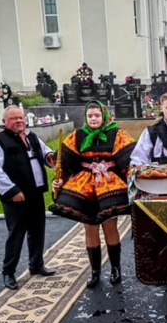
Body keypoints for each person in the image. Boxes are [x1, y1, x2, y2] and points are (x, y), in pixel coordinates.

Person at [49, 101, 135, 287]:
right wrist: (61, 179)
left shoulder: (116, 133)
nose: (94, 119)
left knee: (110, 227)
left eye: (97, 115)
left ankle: (115, 269)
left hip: (108, 186)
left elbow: (129, 159)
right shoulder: (78, 136)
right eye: (90, 116)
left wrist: (133, 180)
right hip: (84, 186)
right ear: (86, 118)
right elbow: (64, 161)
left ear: (104, 116)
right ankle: (95, 271)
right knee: (90, 228)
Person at [0, 105, 57, 290]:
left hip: (35, 192)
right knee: (16, 235)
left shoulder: (31, 137)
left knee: (37, 231)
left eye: (21, 118)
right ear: (4, 122)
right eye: (14, 118)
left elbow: (44, 152)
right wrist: (12, 191)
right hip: (16, 196)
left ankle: (36, 264)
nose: (18, 121)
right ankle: (8, 272)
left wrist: (50, 157)